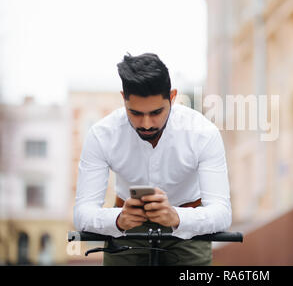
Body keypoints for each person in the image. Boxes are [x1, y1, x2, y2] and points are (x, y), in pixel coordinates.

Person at [73, 53, 232, 265]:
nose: (147, 124)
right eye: (136, 113)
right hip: (126, 224)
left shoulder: (203, 133)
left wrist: (177, 217)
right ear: (123, 99)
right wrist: (118, 220)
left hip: (188, 224)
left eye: (156, 112)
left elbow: (222, 213)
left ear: (173, 97)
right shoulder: (102, 134)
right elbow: (82, 213)